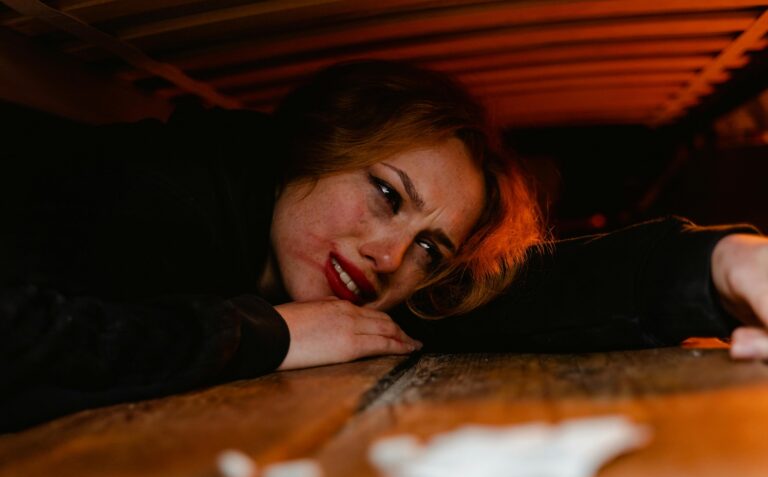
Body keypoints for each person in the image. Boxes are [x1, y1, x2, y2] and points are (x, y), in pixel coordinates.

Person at [0, 60, 766, 433]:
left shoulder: (338, 276)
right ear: (320, 142)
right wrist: (261, 332)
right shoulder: (151, 187)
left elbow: (526, 291)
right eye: (387, 194)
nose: (393, 255)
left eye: (432, 249)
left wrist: (721, 262)